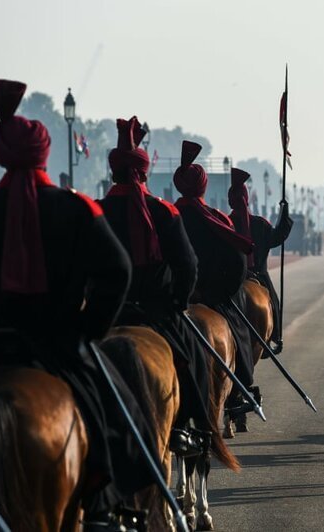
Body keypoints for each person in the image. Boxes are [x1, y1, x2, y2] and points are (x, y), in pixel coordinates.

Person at [0, 80, 156, 528]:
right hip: (59, 343)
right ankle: (107, 500)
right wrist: (86, 329)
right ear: (43, 154)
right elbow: (117, 272)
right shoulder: (76, 208)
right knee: (120, 417)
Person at [99, 116, 215, 458]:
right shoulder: (163, 212)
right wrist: (178, 302)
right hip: (158, 311)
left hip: (108, 313)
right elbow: (188, 266)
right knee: (192, 360)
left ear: (113, 172)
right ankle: (189, 428)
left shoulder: (96, 211)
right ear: (145, 173)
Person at [172, 141, 258, 409]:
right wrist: (212, 294)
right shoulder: (217, 218)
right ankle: (240, 391)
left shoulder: (165, 214)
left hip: (172, 298)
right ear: (203, 186)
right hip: (210, 295)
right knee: (239, 332)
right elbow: (237, 264)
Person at [228, 168, 293, 353]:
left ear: (230, 200)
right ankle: (276, 338)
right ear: (247, 199)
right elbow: (277, 237)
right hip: (260, 275)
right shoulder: (260, 224)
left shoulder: (225, 223)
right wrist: (284, 213)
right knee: (274, 302)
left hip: (235, 279)